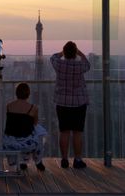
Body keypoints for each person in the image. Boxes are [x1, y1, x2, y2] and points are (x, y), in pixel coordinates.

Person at [50, 41, 90, 169]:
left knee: (64, 131)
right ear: (75, 53)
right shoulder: (80, 66)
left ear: (65, 52)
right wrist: (79, 52)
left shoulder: (59, 64)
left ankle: (64, 159)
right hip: (79, 102)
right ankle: (77, 160)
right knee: (78, 132)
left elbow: (52, 57)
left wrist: (62, 52)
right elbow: (88, 64)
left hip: (62, 103)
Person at [3, 82, 46, 171]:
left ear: (16, 93)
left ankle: (22, 161)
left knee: (25, 134)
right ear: (28, 93)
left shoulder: (9, 106)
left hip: (10, 140)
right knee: (40, 132)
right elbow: (35, 123)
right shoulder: (33, 108)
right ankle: (38, 161)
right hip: (25, 141)